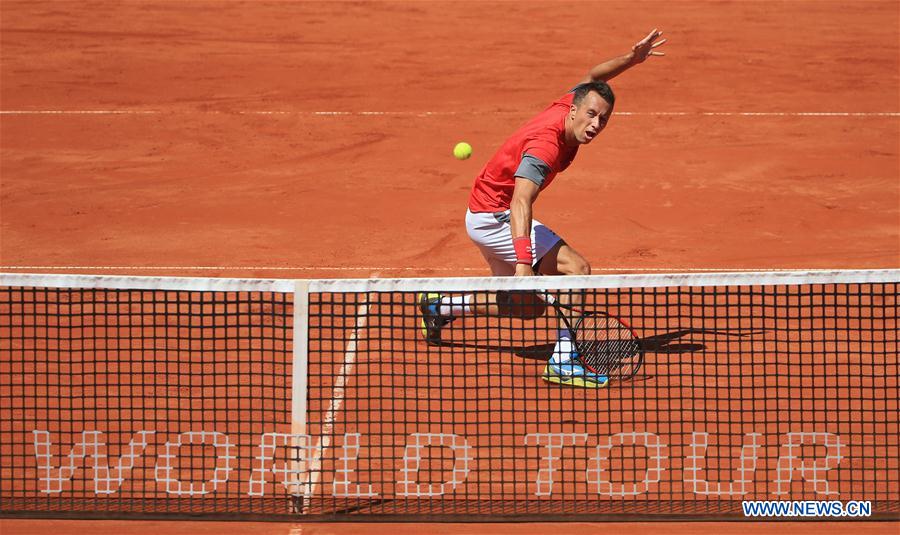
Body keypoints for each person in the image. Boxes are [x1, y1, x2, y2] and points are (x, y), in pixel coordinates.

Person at [420, 30, 667, 388]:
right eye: (591, 116)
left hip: (482, 214)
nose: (595, 125)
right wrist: (524, 264)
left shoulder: (570, 104)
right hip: (495, 217)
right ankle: (564, 361)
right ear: (573, 111)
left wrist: (631, 59)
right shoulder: (545, 148)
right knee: (576, 268)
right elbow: (520, 200)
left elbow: (594, 77)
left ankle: (439, 307)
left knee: (528, 308)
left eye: (603, 119)